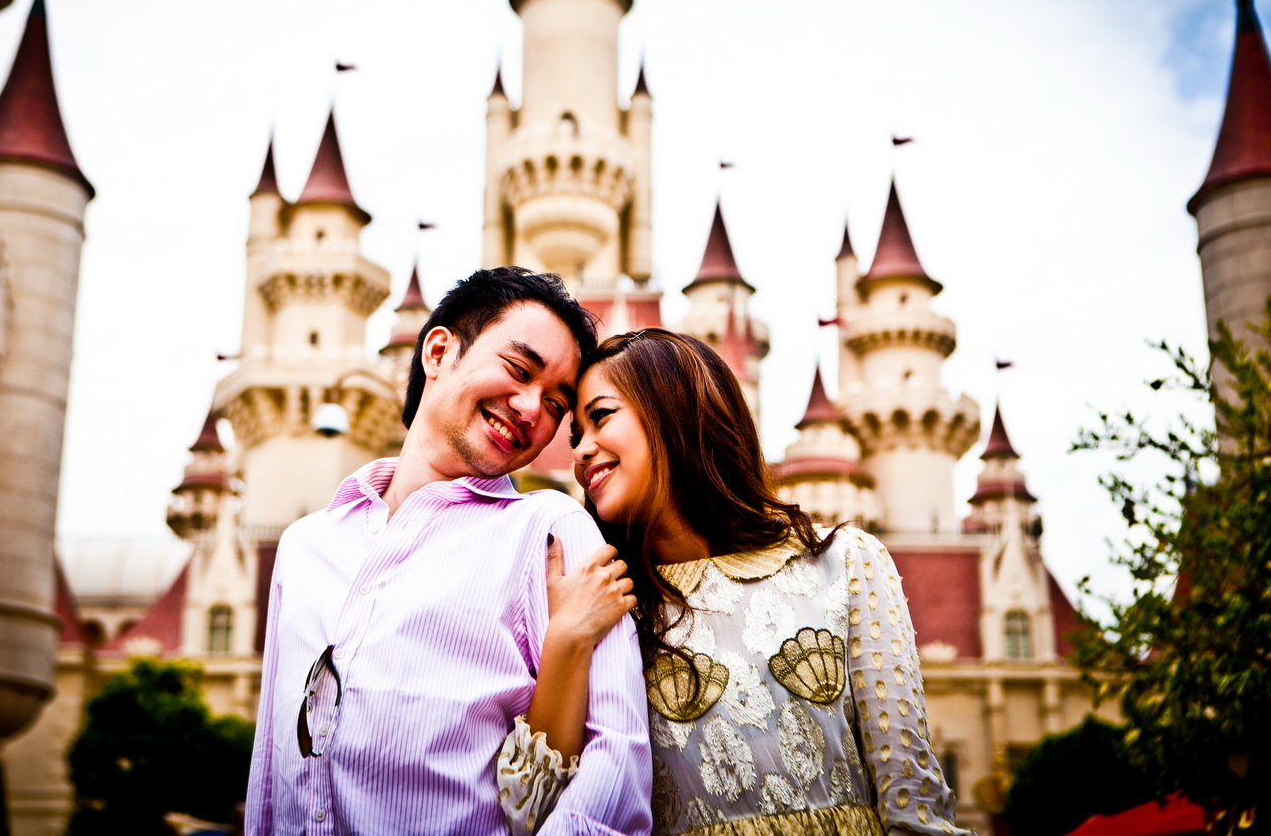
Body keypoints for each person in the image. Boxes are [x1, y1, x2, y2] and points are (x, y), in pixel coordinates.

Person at [499, 329, 971, 836]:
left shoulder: (846, 565)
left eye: (601, 417)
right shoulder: (609, 603)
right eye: (575, 436)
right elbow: (531, 815)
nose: (580, 452)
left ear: (674, 408)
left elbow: (915, 808)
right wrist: (567, 638)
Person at [246, 267, 652, 835]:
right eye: (518, 369)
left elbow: (615, 766)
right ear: (438, 352)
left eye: (556, 405)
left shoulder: (549, 534)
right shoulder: (305, 547)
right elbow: (271, 766)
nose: (531, 409)